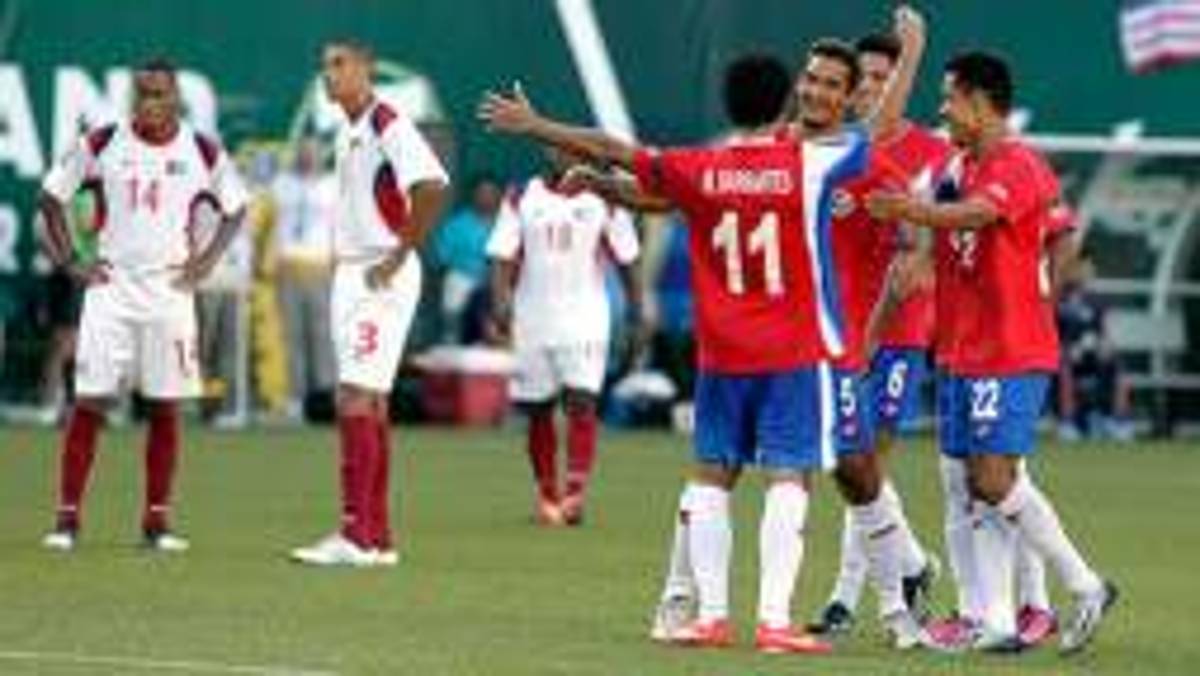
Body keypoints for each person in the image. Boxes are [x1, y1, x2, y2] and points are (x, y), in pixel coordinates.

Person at [479, 5, 926, 654]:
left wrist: (539, 127)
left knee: (712, 474)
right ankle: (773, 619)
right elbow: (881, 129)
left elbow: (619, 152)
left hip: (722, 351)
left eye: (831, 83)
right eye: (811, 81)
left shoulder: (704, 165)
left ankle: (711, 615)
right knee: (789, 477)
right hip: (794, 348)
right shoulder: (809, 166)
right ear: (788, 97)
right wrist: (911, 53)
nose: (818, 92)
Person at [867, 50, 1119, 655]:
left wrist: (914, 212)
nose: (942, 110)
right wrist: (916, 245)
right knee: (961, 481)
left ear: (980, 104)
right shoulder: (954, 166)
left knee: (993, 476)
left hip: (1009, 348)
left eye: (950, 98)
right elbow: (929, 219)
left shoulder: (1018, 164)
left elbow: (980, 215)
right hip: (960, 348)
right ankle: (991, 618)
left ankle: (1084, 584)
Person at [38, 57, 248, 552]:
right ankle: (67, 520)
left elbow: (236, 208)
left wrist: (205, 262)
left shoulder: (201, 149)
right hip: (111, 289)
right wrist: (72, 261)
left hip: (170, 293)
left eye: (159, 94)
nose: (149, 102)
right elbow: (51, 197)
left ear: (176, 98)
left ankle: (156, 524)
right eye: (142, 94)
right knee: (90, 401)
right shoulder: (103, 142)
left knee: (165, 406)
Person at [805, 31, 949, 642]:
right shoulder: (830, 150)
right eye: (858, 78)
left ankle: (846, 598)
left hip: (900, 328)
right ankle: (912, 565)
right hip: (838, 332)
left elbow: (931, 237)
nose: (866, 88)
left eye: (878, 78)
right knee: (851, 461)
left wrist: (917, 265)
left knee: (868, 460)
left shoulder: (930, 152)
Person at [291, 39, 448, 567]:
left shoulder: (387, 123)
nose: (329, 74)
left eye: (339, 64)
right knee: (370, 399)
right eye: (325, 66)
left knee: (355, 397)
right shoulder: (348, 130)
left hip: (380, 272)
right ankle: (378, 537)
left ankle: (354, 534)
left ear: (366, 69)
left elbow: (432, 186)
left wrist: (399, 253)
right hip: (356, 271)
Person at [485, 148, 642, 527]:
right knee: (537, 407)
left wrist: (638, 311)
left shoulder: (605, 198)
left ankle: (574, 494)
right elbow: (502, 254)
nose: (565, 156)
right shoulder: (522, 195)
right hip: (533, 314)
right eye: (557, 148)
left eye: (572, 149)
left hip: (586, 315)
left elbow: (628, 258)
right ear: (546, 151)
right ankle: (547, 496)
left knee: (581, 400)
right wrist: (501, 302)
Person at [272, 137, 337, 422]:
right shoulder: (281, 184)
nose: (308, 157)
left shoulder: (333, 185)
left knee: (322, 336)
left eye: (313, 152)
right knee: (293, 336)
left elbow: (339, 228)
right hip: (288, 266)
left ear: (322, 156)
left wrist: (337, 265)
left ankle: (324, 397)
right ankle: (296, 399)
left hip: (320, 266)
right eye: (304, 152)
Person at [433, 172, 502, 343]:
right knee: (455, 282)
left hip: (499, 282)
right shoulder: (457, 224)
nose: (486, 197)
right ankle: (451, 342)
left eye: (491, 193)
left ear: (499, 196)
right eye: (482, 193)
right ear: (473, 195)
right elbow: (441, 260)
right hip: (464, 278)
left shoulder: (508, 223)